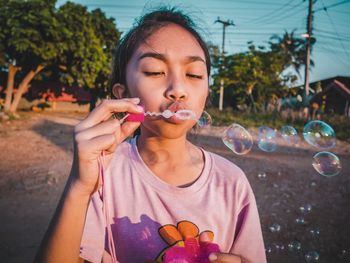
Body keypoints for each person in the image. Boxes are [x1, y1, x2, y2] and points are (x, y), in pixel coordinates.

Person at [35, 7, 266, 263]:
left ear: (206, 93)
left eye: (194, 74)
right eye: (155, 71)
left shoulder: (232, 181)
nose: (178, 90)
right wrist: (79, 187)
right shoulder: (104, 172)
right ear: (122, 95)